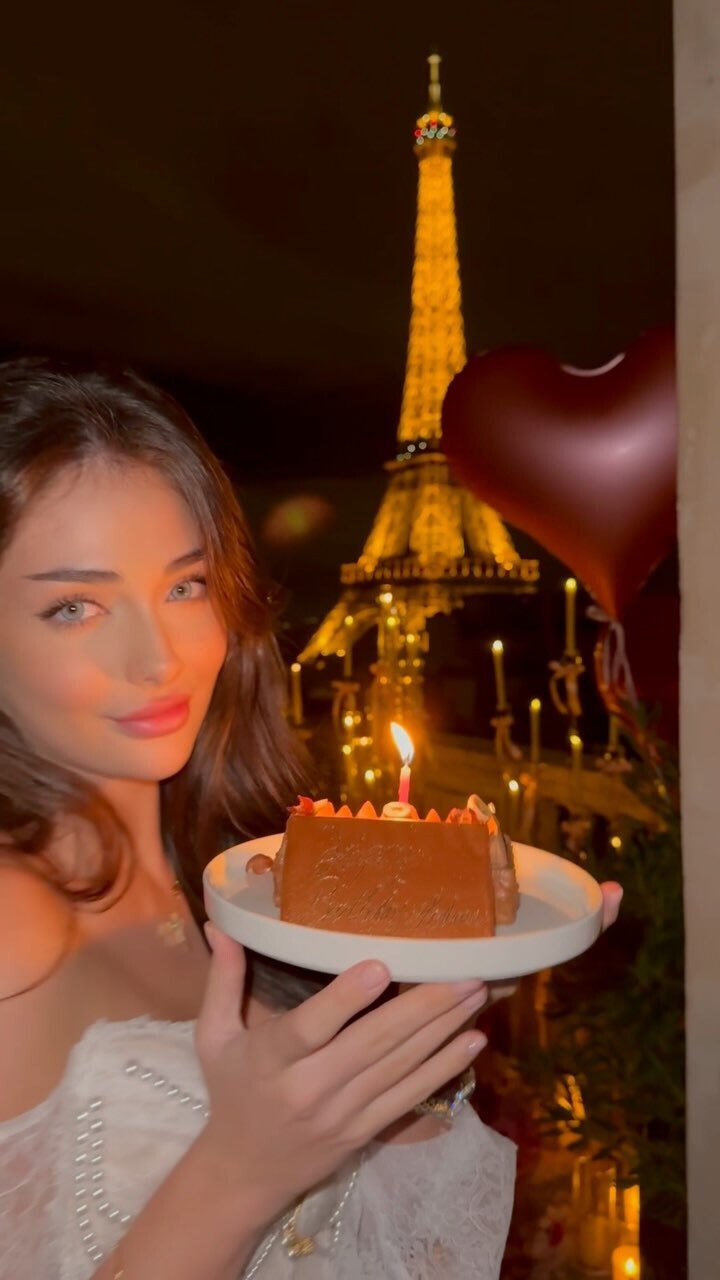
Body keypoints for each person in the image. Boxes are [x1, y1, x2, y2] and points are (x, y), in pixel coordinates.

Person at [0, 359, 622, 1280]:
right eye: (74, 607)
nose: (157, 659)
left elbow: (382, 1247)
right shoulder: (13, 925)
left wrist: (417, 1030)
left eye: (184, 586)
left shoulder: (239, 869)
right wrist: (240, 1172)